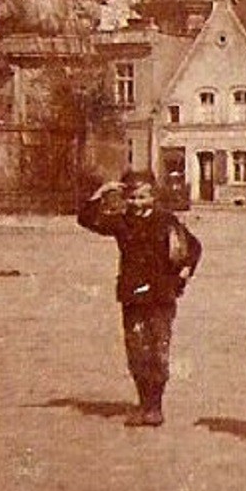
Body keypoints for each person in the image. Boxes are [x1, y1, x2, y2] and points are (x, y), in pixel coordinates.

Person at [77, 169, 202, 427]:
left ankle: (155, 407)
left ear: (154, 197)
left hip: (161, 295)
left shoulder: (166, 221)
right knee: (136, 350)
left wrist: (185, 272)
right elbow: (87, 219)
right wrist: (101, 193)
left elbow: (194, 247)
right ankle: (144, 403)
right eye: (132, 198)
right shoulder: (122, 222)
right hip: (133, 294)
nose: (136, 203)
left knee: (158, 349)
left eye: (142, 197)